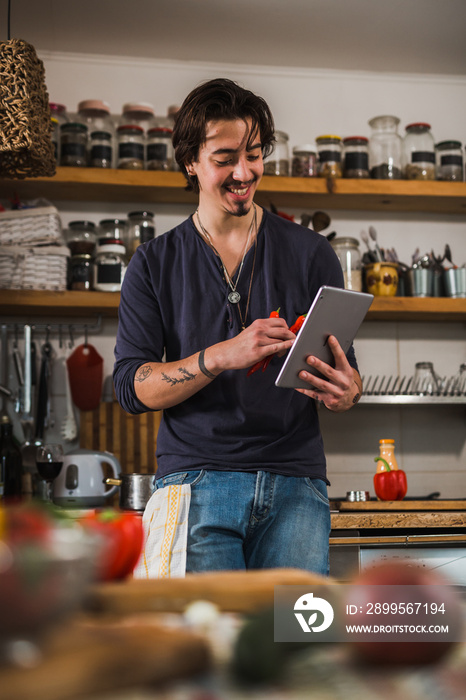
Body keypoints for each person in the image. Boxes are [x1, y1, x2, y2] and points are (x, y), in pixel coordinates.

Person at [113, 77, 363, 577]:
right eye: (225, 158)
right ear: (190, 162)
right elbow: (131, 388)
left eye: (253, 153)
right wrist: (222, 355)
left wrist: (346, 392)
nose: (244, 172)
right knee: (204, 648)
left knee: (296, 648)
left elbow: (344, 374)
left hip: (296, 488)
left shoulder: (313, 254)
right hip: (194, 486)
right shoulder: (153, 263)